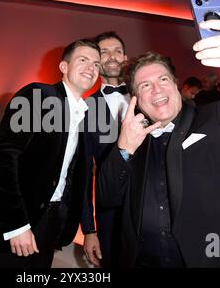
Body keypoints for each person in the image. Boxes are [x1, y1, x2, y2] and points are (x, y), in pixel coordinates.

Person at [97, 20, 220, 267]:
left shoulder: (216, 116)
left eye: (163, 79)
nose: (156, 89)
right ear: (136, 97)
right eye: (145, 85)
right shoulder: (134, 138)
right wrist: (124, 148)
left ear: (176, 85)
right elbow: (106, 197)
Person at [0, 39, 101, 268]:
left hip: (50, 226)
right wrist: (16, 225)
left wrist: (89, 230)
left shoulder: (86, 116)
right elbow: (3, 158)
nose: (91, 68)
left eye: (96, 64)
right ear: (64, 67)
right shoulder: (38, 95)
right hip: (12, 225)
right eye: (83, 60)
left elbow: (81, 177)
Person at [81, 32, 129, 267]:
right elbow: (81, 174)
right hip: (110, 212)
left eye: (117, 51)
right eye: (104, 52)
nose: (112, 57)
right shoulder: (84, 108)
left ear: (125, 58)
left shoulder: (150, 97)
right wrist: (89, 229)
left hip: (155, 206)